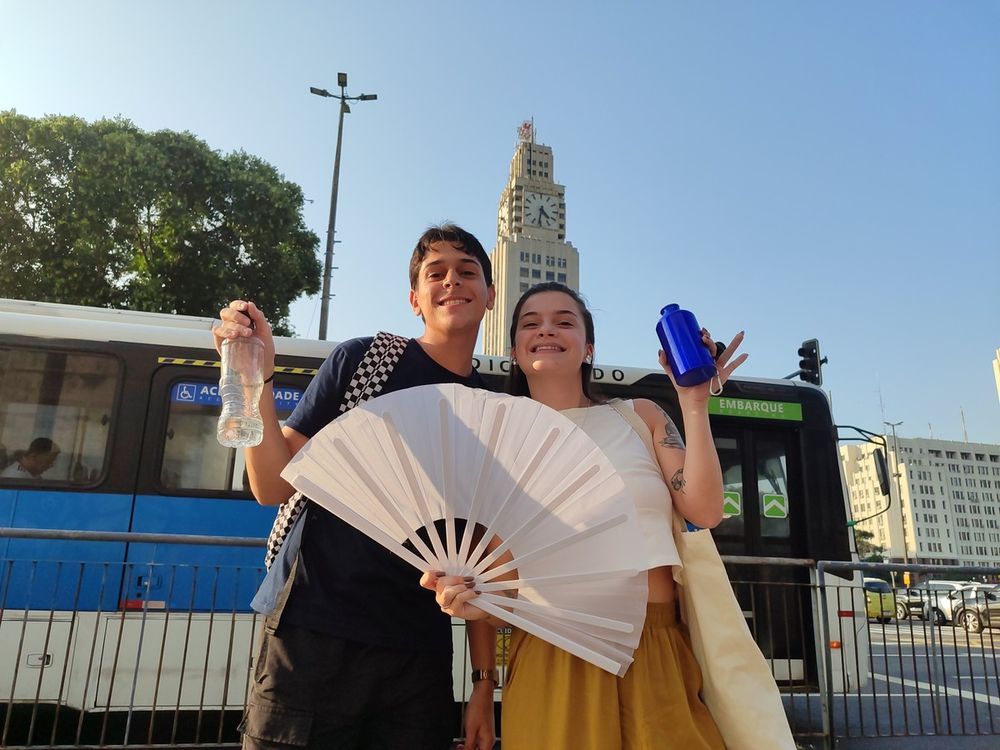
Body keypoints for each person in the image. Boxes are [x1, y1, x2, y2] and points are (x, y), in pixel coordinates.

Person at [426, 282, 747, 749]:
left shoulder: (640, 417)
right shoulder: (492, 446)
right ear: (514, 349)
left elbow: (705, 508)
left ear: (588, 346)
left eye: (564, 321)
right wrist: (472, 601)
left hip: (654, 644)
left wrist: (694, 403)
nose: (547, 330)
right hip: (551, 649)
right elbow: (500, 585)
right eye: (531, 323)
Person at [216, 225, 499, 750]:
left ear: (490, 294)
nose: (451, 282)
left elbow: (482, 551)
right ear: (415, 299)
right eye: (435, 274)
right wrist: (257, 378)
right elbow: (273, 485)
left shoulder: (494, 408)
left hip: (421, 651)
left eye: (467, 272)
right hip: (314, 631)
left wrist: (483, 686)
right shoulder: (365, 360)